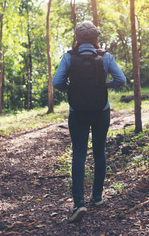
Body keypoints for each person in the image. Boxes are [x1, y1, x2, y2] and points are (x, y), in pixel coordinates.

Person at [52, 21, 126, 222]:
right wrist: (105, 85)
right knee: (99, 151)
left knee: (78, 153)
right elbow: (121, 79)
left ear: (77, 39)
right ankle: (97, 197)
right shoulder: (106, 57)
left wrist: (72, 88)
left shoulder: (68, 57)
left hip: (77, 112)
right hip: (101, 110)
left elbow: (57, 82)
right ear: (95, 39)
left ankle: (78, 203)